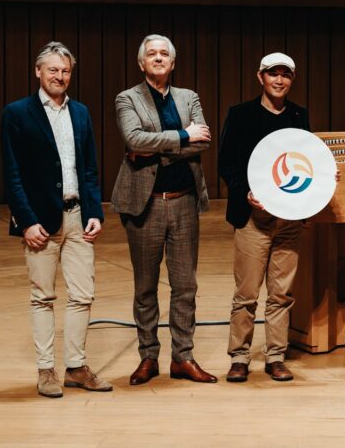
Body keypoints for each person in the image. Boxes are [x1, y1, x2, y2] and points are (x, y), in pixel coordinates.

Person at [1, 41, 112, 398]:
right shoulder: (17, 113)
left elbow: (90, 170)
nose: (59, 76)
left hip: (78, 215)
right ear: (38, 72)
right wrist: (26, 221)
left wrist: (95, 212)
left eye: (65, 71)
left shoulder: (80, 112)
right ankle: (46, 370)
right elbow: (12, 175)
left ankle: (77, 367)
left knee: (83, 295)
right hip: (40, 222)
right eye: (52, 70)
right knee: (43, 297)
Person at [112, 34, 215, 385]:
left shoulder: (189, 97)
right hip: (146, 204)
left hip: (184, 200)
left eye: (164, 54)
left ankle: (183, 358)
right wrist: (183, 136)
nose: (158, 58)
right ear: (142, 63)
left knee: (185, 285)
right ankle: (148, 357)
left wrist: (160, 146)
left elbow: (203, 142)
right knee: (145, 286)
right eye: (151, 54)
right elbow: (133, 140)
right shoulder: (127, 98)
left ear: (173, 63)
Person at [217, 52, 309, 383]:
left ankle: (275, 356)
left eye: (286, 74)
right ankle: (239, 357)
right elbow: (226, 163)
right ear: (261, 77)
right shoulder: (240, 114)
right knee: (246, 294)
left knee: (282, 294)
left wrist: (322, 179)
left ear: (291, 79)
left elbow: (304, 160)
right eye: (273, 74)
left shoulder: (299, 115)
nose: (279, 80)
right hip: (253, 220)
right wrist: (245, 193)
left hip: (289, 222)